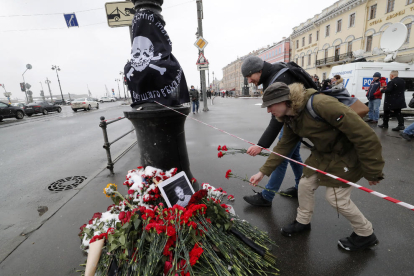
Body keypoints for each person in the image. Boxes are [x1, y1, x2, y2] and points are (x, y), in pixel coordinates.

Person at [250, 82, 384, 251]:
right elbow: (283, 146)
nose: (268, 111)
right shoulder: (290, 116)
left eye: (270, 106)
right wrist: (262, 172)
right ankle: (302, 222)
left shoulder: (320, 104)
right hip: (322, 154)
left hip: (347, 154)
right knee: (305, 185)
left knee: (336, 198)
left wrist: (373, 172)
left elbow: (364, 134)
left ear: (285, 101)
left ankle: (366, 234)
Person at [241, 55, 305, 207]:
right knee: (293, 154)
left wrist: (261, 145)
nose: (249, 80)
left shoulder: (278, 79)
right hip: (295, 120)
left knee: (281, 157)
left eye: (249, 76)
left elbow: (277, 120)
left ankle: (267, 196)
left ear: (259, 70)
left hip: (296, 121)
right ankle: (300, 188)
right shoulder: (274, 74)